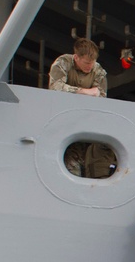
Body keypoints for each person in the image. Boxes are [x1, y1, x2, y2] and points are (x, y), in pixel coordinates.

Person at [49, 38, 115, 178]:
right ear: (76, 57)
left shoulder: (98, 70)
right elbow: (56, 88)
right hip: (62, 119)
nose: (89, 67)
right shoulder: (63, 63)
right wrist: (85, 91)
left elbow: (101, 97)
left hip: (87, 121)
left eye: (92, 63)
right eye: (86, 63)